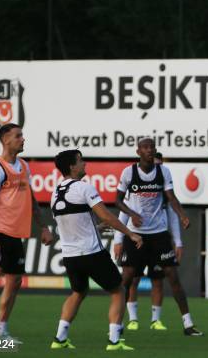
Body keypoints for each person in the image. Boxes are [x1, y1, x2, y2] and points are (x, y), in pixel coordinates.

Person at [49, 149, 143, 350]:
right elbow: (106, 216)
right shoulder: (84, 188)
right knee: (119, 290)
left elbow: (69, 223)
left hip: (69, 256)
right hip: (91, 253)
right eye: (81, 161)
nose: (85, 164)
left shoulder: (55, 192)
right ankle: (114, 340)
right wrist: (131, 233)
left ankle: (59, 338)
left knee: (78, 292)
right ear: (72, 167)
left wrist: (95, 228)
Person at [0, 123, 53, 342]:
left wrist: (43, 226)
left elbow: (32, 200)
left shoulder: (24, 166)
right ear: (6, 139)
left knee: (15, 280)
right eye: (18, 136)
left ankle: (0, 329)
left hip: (16, 232)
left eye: (22, 135)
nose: (22, 139)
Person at [115, 138, 202, 336]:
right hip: (136, 236)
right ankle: (117, 324)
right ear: (138, 151)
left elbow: (171, 197)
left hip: (159, 235)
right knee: (127, 280)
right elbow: (118, 201)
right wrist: (132, 215)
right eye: (145, 147)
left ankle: (188, 324)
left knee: (173, 277)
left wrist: (182, 214)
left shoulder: (163, 172)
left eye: (152, 147)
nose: (149, 150)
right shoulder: (129, 172)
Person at [113, 152, 183, 332]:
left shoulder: (164, 186)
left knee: (158, 280)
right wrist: (118, 239)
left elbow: (172, 216)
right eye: (155, 163)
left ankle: (155, 320)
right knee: (132, 279)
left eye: (159, 163)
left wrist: (178, 241)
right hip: (136, 237)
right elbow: (122, 211)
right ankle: (133, 319)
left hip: (158, 237)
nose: (156, 166)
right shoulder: (131, 177)